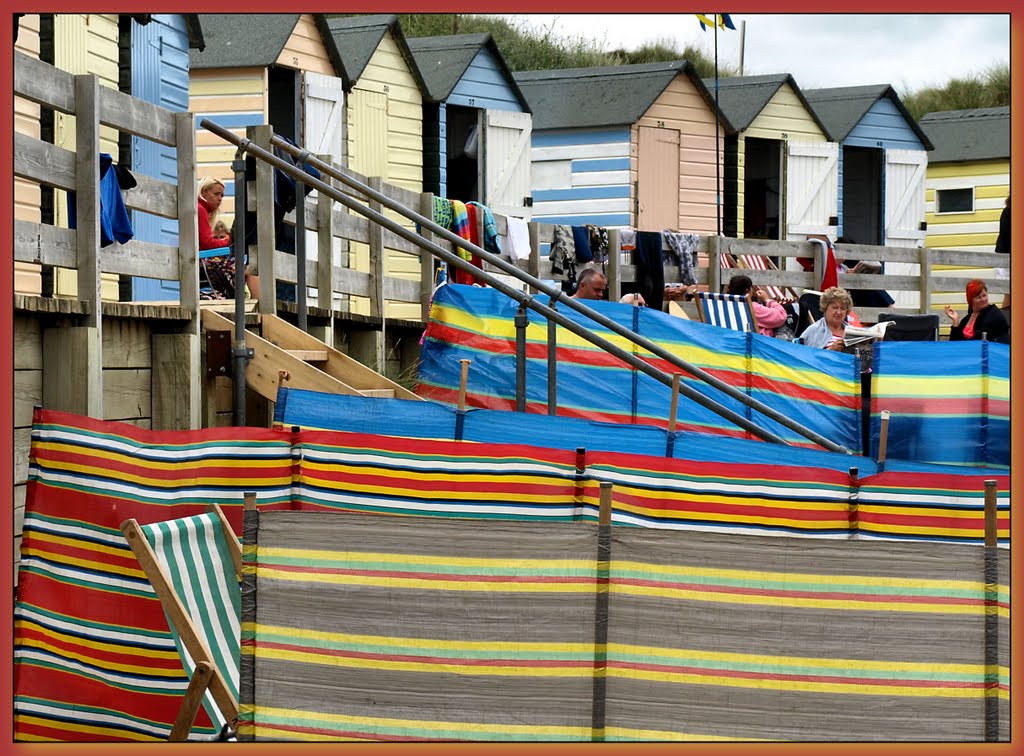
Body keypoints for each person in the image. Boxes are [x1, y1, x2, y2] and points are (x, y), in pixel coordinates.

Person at [197, 177, 260, 300]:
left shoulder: (201, 210)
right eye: (216, 194)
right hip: (202, 262)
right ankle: (257, 304)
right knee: (251, 269)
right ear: (204, 192)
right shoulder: (200, 210)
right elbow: (207, 243)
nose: (220, 198)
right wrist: (231, 241)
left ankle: (254, 302)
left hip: (203, 261)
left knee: (250, 268)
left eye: (222, 195)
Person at [835, 236, 894, 309]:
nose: (843, 257)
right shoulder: (830, 266)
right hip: (844, 293)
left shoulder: (844, 267)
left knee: (870, 286)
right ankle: (888, 305)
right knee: (868, 289)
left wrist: (852, 272)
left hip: (853, 292)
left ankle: (886, 307)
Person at [944, 279, 1009, 344]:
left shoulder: (993, 315)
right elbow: (953, 343)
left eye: (984, 295)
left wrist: (960, 347)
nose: (983, 299)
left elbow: (976, 341)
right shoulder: (967, 318)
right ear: (971, 300)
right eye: (978, 297)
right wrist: (956, 321)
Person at [571, 269, 646, 305]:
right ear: (582, 286)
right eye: (597, 290)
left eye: (602, 291)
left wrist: (635, 299)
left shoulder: (602, 307)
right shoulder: (563, 305)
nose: (601, 294)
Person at [994, 194, 1010, 310]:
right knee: (1008, 293)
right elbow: (1007, 234)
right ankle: (1007, 325)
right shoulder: (1008, 211)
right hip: (1006, 258)